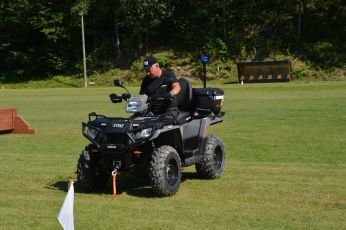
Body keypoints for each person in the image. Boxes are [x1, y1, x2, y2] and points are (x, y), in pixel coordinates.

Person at [140, 56, 181, 120]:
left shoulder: (168, 74)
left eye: (149, 70)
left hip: (169, 111)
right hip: (152, 112)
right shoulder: (146, 80)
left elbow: (177, 87)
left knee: (160, 125)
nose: (147, 73)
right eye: (146, 71)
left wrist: (170, 94)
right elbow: (142, 96)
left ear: (157, 66)